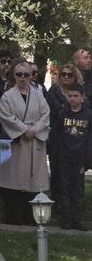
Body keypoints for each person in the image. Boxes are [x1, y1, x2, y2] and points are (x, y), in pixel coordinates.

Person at [0, 57, 51, 225]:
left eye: (26, 74)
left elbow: (46, 115)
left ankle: (31, 218)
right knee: (15, 181)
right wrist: (24, 130)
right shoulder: (7, 96)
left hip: (35, 142)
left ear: (30, 76)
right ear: (14, 75)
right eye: (19, 74)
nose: (22, 77)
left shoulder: (38, 96)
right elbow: (6, 117)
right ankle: (14, 218)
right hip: (18, 143)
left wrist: (35, 130)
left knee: (33, 182)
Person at [53, 82, 92, 230]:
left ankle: (77, 219)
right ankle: (66, 219)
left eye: (76, 96)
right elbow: (57, 133)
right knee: (64, 188)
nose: (73, 99)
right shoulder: (63, 113)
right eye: (70, 96)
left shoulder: (88, 114)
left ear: (82, 98)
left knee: (78, 189)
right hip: (64, 157)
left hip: (79, 158)